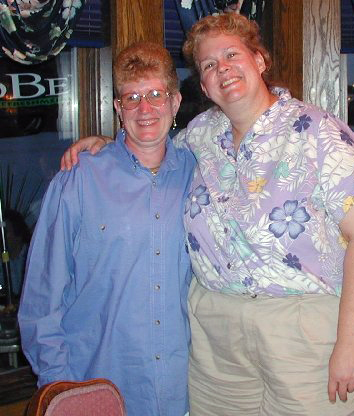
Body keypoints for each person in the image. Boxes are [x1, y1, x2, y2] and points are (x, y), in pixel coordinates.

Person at [61, 13, 354, 416]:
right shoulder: (200, 136)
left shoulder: (318, 132)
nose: (223, 69)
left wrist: (350, 346)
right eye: (209, 64)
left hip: (304, 330)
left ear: (260, 60)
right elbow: (149, 145)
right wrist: (106, 145)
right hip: (216, 338)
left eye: (232, 55)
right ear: (203, 85)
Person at [18, 41, 195, 416]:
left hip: (183, 392)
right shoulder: (79, 178)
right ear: (118, 108)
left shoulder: (199, 174)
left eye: (155, 94)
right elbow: (41, 298)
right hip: (98, 387)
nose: (144, 108)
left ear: (175, 102)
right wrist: (60, 386)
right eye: (132, 98)